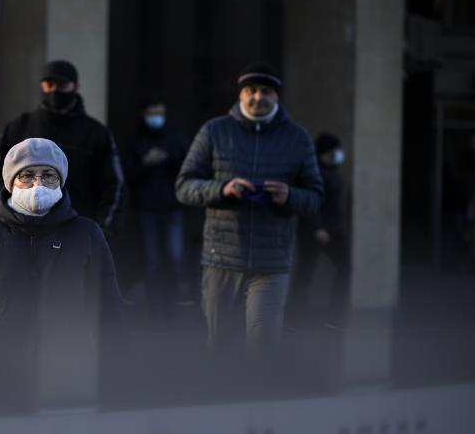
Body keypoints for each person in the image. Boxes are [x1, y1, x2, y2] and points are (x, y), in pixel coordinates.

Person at [0, 139, 122, 402]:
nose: (38, 185)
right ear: (11, 182)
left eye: (48, 176)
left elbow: (109, 309)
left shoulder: (86, 233)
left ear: (61, 181)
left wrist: (121, 372)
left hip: (67, 375)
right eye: (26, 176)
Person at [176, 62, 323, 350]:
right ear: (241, 95)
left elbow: (315, 196)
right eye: (251, 90)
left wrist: (290, 195)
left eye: (266, 91)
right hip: (222, 259)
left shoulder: (298, 138)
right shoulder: (214, 131)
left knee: (263, 346)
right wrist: (221, 189)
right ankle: (226, 395)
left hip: (272, 262)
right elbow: (183, 186)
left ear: (277, 96)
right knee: (221, 346)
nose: (258, 97)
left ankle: (260, 392)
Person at [0, 60, 124, 235]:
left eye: (62, 84)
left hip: (77, 231)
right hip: (25, 231)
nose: (54, 90)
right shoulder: (19, 127)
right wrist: (12, 204)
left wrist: (100, 229)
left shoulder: (96, 133)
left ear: (75, 86)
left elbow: (113, 184)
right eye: (49, 84)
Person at [123, 99, 189, 321]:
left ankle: (171, 306)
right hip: (146, 209)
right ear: (143, 114)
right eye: (152, 112)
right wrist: (145, 163)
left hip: (172, 207)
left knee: (174, 257)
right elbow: (128, 176)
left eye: (160, 112)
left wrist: (168, 159)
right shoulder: (135, 140)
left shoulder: (175, 138)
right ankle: (155, 310)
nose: (157, 117)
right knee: (152, 261)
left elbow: (188, 169)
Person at [293, 132, 350, 322]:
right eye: (333, 151)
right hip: (315, 231)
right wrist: (318, 227)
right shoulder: (315, 172)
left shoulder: (332, 169)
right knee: (306, 271)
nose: (337, 154)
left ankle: (335, 313)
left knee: (344, 267)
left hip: (333, 229)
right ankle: (296, 313)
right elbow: (311, 201)